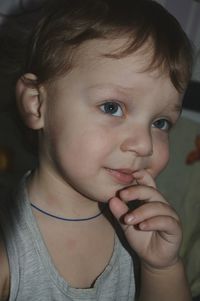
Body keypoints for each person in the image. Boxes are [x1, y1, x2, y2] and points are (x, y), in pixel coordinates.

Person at [0, 0, 193, 300]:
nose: (144, 144)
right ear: (37, 104)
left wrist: (162, 268)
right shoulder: (8, 248)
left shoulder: (142, 233)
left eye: (161, 122)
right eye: (112, 107)